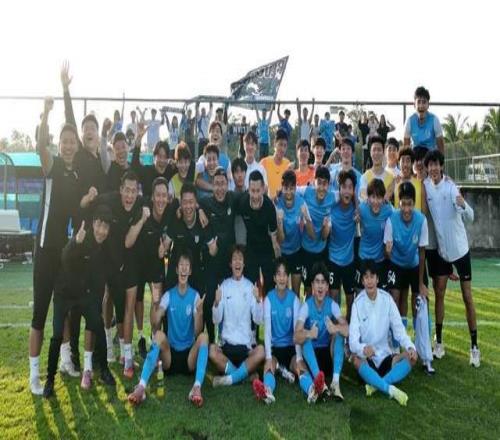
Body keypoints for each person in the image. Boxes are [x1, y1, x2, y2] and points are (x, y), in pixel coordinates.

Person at [29, 97, 80, 395]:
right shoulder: (52, 166)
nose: (69, 145)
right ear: (59, 144)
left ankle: (65, 361)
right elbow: (40, 148)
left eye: (72, 141)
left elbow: (75, 209)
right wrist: (46, 114)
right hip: (45, 252)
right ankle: (33, 376)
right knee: (39, 315)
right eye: (65, 141)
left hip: (63, 254)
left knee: (63, 310)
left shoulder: (75, 175)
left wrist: (88, 199)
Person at [43, 206, 116, 398]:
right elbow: (65, 256)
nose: (101, 231)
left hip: (83, 295)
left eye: (106, 227)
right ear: (93, 224)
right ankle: (49, 380)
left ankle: (104, 370)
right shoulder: (82, 237)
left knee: (98, 324)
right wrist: (75, 242)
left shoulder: (104, 247)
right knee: (57, 334)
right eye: (99, 225)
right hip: (64, 293)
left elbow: (100, 277)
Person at [127, 252, 209, 407]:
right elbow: (155, 323)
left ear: (190, 271)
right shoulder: (168, 295)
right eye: (181, 265)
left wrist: (199, 313)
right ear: (176, 270)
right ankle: (141, 387)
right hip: (169, 357)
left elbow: (197, 332)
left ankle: (196, 387)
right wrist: (155, 304)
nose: (184, 269)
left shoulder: (195, 296)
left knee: (204, 337)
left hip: (189, 358)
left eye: (187, 266)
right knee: (158, 335)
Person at [423, 150, 479, 366]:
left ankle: (474, 347)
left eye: (436, 164)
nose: (433, 169)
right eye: (430, 165)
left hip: (460, 251)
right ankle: (438, 343)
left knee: (467, 297)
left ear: (442, 166)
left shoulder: (451, 186)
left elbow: (471, 217)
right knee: (439, 294)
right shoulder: (426, 185)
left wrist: (463, 204)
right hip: (441, 253)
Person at [88, 171, 145, 378]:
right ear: (120, 190)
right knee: (108, 298)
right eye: (126, 190)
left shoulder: (140, 204)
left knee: (127, 307)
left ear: (137, 192)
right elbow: (90, 206)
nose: (130, 195)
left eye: (133, 191)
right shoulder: (108, 199)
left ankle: (126, 356)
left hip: (129, 261)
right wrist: (89, 197)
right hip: (108, 261)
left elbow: (160, 202)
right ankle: (107, 346)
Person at [349, 260, 417, 406]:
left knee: (412, 357)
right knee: (355, 359)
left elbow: (399, 331)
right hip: (368, 359)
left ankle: (376, 385)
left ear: (377, 279)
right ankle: (390, 389)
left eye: (372, 276)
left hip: (386, 356)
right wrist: (363, 348)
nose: (369, 281)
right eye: (366, 277)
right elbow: (352, 341)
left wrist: (410, 347)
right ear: (362, 281)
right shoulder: (357, 304)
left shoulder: (387, 300)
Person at [125, 177, 174, 359]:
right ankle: (140, 337)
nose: (161, 199)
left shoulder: (170, 211)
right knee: (137, 302)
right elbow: (129, 240)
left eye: (164, 196)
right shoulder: (142, 210)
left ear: (168, 197)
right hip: (138, 264)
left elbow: (173, 229)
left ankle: (155, 340)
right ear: (152, 197)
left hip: (155, 265)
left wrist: (166, 246)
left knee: (156, 302)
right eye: (157, 195)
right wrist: (141, 219)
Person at [209, 246, 265, 387]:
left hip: (245, 348)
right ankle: (243, 376)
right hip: (227, 347)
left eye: (240, 259)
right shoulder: (224, 286)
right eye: (235, 259)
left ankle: (229, 379)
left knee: (261, 351)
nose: (237, 262)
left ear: (244, 264)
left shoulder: (250, 287)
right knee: (212, 351)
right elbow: (216, 320)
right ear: (230, 264)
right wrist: (216, 302)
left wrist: (258, 300)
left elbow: (258, 319)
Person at [384, 182, 429, 355]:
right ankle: (395, 343)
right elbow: (387, 252)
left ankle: (421, 344)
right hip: (396, 264)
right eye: (403, 204)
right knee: (395, 299)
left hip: (414, 264)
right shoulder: (391, 220)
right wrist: (388, 252)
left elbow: (422, 252)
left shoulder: (421, 220)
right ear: (399, 203)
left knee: (418, 301)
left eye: (410, 204)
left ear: (414, 203)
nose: (406, 209)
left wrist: (421, 283)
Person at [294, 262, 349, 401]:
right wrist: (309, 333)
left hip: (327, 356)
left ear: (327, 286)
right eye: (317, 282)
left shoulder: (333, 305)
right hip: (312, 358)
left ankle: (335, 383)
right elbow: (295, 337)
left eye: (323, 282)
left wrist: (336, 328)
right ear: (312, 286)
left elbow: (348, 330)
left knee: (339, 335)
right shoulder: (306, 306)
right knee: (304, 338)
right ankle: (321, 383)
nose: (320, 286)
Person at [252, 258, 302, 404]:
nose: (282, 278)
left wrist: (299, 357)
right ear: (274, 278)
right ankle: (267, 392)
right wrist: (268, 357)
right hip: (275, 348)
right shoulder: (268, 299)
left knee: (300, 368)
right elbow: (267, 332)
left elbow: (296, 331)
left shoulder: (294, 299)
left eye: (285, 274)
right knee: (269, 368)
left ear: (288, 278)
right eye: (279, 274)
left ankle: (312, 389)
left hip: (290, 348)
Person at [198, 167, 239, 342]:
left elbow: (248, 199)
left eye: (223, 184)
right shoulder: (205, 203)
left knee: (227, 301)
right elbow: (189, 201)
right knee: (209, 301)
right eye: (216, 184)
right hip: (211, 261)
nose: (220, 188)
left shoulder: (232, 199)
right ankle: (210, 338)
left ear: (227, 185)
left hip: (228, 262)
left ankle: (225, 337)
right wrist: (199, 210)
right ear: (212, 185)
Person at [162, 182, 218, 295]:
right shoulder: (175, 218)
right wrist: (162, 248)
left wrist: (214, 247)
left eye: (191, 202)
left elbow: (213, 250)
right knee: (168, 292)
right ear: (181, 203)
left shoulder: (202, 220)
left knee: (201, 294)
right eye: (185, 202)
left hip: (195, 266)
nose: (188, 206)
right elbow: (165, 246)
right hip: (176, 264)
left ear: (196, 202)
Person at [235, 170, 280, 295]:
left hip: (267, 248)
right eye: (252, 191)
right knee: (251, 285)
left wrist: (277, 257)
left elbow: (274, 237)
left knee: (270, 285)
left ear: (263, 189)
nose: (255, 195)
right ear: (248, 189)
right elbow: (236, 221)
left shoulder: (269, 207)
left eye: (258, 191)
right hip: (251, 248)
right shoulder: (243, 203)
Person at [276, 170, 314, 295]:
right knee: (283, 291)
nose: (288, 192)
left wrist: (306, 217)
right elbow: (280, 239)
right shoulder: (278, 204)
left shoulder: (301, 203)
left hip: (297, 251)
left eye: (291, 188)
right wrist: (279, 222)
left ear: (295, 188)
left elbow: (312, 235)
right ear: (282, 188)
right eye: (286, 188)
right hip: (282, 253)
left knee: (296, 292)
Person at [299, 166, 335, 294]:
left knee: (322, 289)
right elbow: (290, 190)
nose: (321, 187)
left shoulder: (333, 197)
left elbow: (347, 195)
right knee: (308, 290)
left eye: (325, 184)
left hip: (322, 251)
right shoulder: (306, 191)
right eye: (319, 182)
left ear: (329, 185)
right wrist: (278, 195)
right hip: (306, 250)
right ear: (314, 182)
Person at [327, 170, 358, 320]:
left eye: (350, 187)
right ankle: (333, 330)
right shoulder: (331, 207)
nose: (347, 191)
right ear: (339, 189)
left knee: (351, 300)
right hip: (333, 260)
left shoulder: (356, 210)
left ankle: (349, 330)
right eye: (344, 187)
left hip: (349, 261)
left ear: (353, 190)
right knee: (333, 299)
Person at [358, 179, 393, 289]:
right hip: (364, 257)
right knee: (362, 293)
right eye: (373, 197)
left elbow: (397, 218)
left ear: (383, 198)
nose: (376, 201)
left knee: (381, 294)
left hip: (380, 259)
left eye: (379, 198)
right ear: (368, 198)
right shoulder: (362, 209)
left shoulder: (388, 210)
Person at [131, 124, 176, 199]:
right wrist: (139, 139)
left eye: (165, 157)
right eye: (159, 156)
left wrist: (175, 162)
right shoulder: (146, 171)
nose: (162, 160)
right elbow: (134, 166)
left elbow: (184, 165)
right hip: (148, 205)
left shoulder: (170, 169)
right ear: (154, 156)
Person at [404, 86, 445, 154]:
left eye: (424, 102)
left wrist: (441, 160)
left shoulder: (435, 120)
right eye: (418, 102)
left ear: (428, 105)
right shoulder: (409, 121)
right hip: (416, 157)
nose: (421, 105)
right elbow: (406, 148)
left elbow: (441, 147)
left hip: (431, 157)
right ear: (414, 105)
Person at [359, 135, 395, 201]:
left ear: (383, 152)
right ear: (370, 153)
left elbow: (386, 200)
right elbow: (364, 198)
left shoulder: (391, 179)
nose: (376, 153)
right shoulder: (364, 177)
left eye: (379, 150)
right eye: (374, 150)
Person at [260, 129, 291, 199]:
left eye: (285, 146)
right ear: (274, 144)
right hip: (267, 203)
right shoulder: (264, 163)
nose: (282, 149)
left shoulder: (287, 164)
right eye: (280, 144)